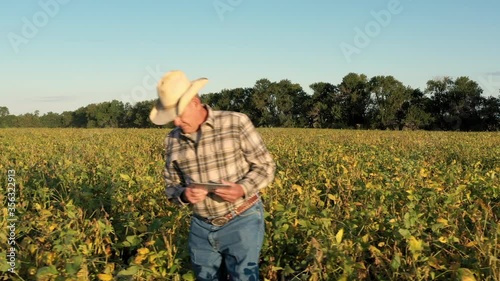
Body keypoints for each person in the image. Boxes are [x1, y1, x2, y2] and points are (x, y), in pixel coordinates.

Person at [149, 70, 276, 281]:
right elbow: (171, 186)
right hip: (200, 225)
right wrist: (184, 195)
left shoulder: (235, 123)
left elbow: (266, 166)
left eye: (180, 114)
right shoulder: (172, 140)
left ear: (195, 102)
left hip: (242, 219)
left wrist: (242, 188)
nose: (177, 122)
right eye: (173, 117)